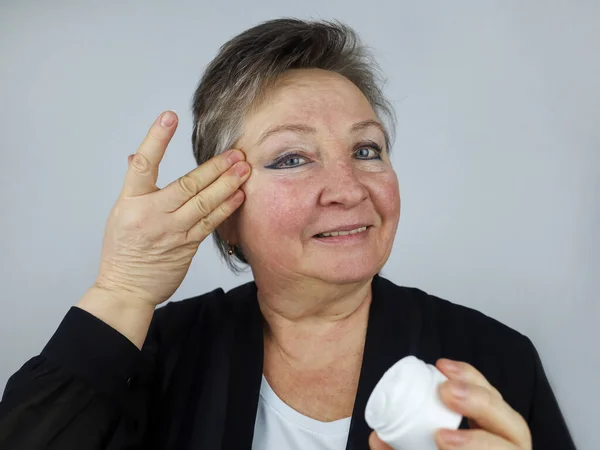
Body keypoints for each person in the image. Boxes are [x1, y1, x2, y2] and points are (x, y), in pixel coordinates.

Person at [0, 18, 575, 450]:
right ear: (223, 210)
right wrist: (122, 289)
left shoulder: (496, 359)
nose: (348, 188)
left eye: (367, 149)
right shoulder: (156, 356)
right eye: (293, 158)